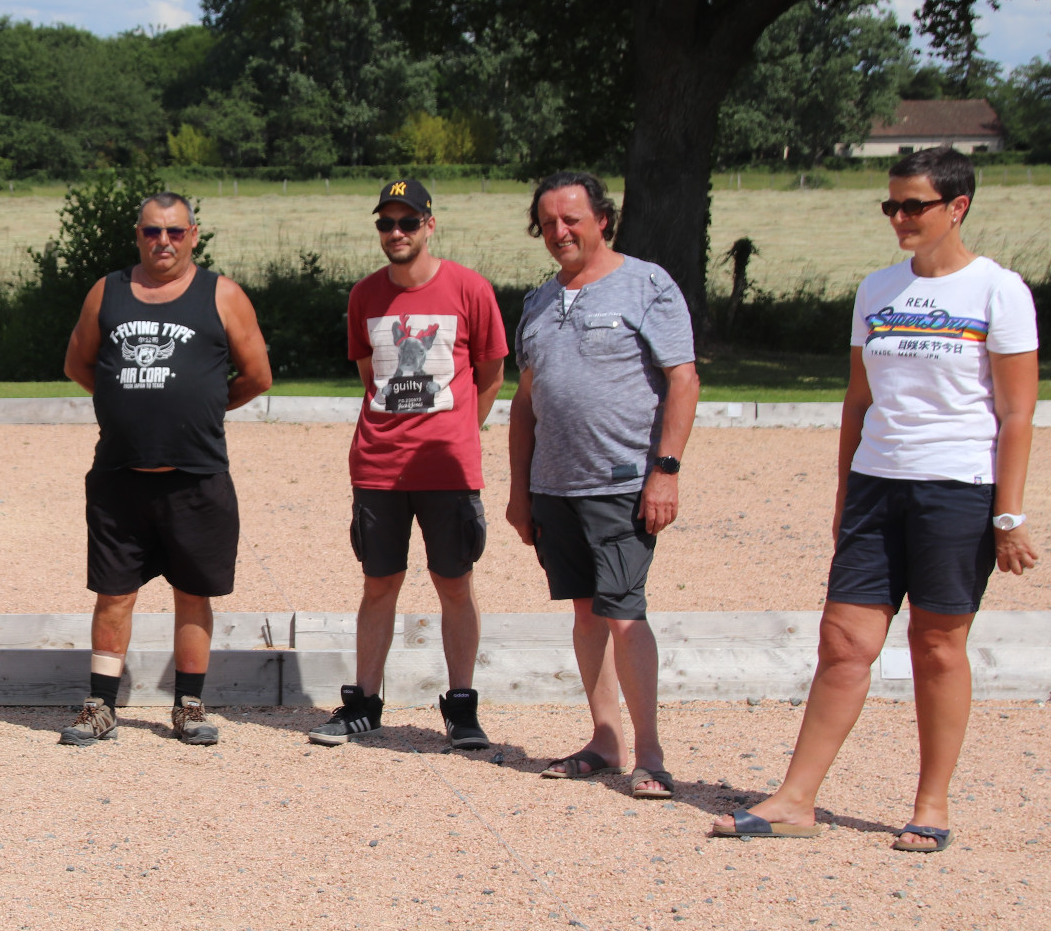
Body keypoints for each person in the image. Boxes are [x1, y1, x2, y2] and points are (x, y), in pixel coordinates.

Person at [715, 147, 1038, 848]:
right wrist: (844, 494)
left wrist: (1009, 514)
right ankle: (796, 800)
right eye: (891, 205)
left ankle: (932, 804)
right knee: (843, 642)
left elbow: (1018, 412)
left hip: (957, 488)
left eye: (913, 205)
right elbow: (858, 401)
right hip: (875, 485)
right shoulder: (877, 290)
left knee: (937, 645)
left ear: (958, 206)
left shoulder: (998, 290)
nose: (899, 217)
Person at [505, 171, 697, 800]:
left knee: (623, 613)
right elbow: (525, 402)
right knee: (586, 613)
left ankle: (652, 756)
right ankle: (606, 739)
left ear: (602, 220)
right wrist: (520, 490)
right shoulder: (538, 301)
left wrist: (665, 471)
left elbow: (683, 378)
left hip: (621, 482)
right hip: (555, 488)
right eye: (548, 223)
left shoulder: (647, 285)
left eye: (571, 219)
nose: (559, 232)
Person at [57, 191, 273, 747]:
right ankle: (100, 705)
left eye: (175, 231)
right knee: (113, 593)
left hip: (195, 475)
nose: (163, 241)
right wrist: (123, 400)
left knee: (193, 592)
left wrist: (206, 405)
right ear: (138, 235)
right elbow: (79, 362)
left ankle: (189, 705)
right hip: (120, 475)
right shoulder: (107, 291)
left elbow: (257, 375)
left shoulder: (222, 295)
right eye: (152, 231)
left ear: (193, 236)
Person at [309, 178, 507, 751]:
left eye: (408, 222)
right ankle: (363, 705)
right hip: (379, 466)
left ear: (429, 225)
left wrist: (460, 432)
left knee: (454, 584)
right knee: (379, 584)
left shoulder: (470, 288)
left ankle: (461, 707)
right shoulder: (365, 296)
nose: (396, 232)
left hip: (447, 468)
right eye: (386, 223)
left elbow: (492, 374)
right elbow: (370, 375)